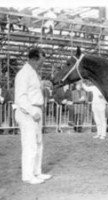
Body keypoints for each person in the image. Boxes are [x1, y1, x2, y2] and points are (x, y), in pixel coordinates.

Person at [14, 48, 52, 184]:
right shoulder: (23, 74)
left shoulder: (33, 73)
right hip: (28, 112)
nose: (42, 64)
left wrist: (42, 84)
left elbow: (32, 89)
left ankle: (37, 172)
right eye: (41, 62)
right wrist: (31, 111)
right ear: (34, 59)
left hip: (35, 111)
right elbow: (20, 97)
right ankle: (28, 176)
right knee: (30, 144)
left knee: (38, 144)